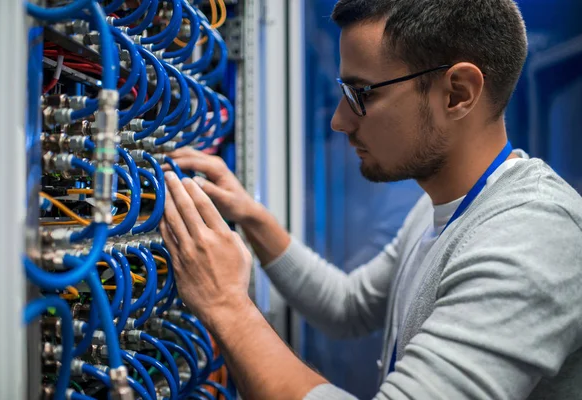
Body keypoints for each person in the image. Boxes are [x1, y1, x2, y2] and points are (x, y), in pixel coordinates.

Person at [160, 0, 582, 398]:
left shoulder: (532, 238)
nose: (339, 121)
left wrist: (225, 304)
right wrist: (251, 216)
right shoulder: (445, 206)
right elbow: (348, 307)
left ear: (458, 93)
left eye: (362, 94)